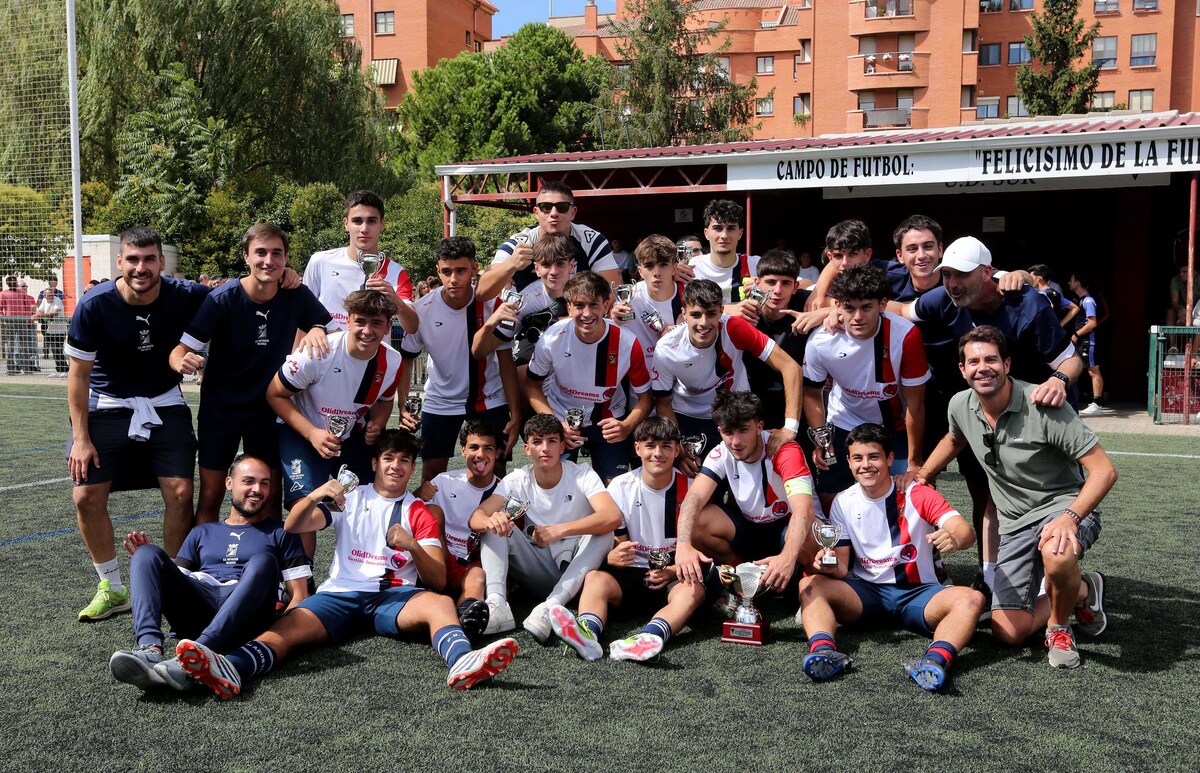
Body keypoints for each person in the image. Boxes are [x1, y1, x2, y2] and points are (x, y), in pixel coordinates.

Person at [174, 431, 519, 696]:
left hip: (393, 598)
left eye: (404, 461)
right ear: (375, 464)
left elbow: (439, 580)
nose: (395, 466)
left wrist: (412, 545)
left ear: (413, 468)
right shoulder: (350, 499)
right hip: (340, 592)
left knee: (441, 604)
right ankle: (231, 668)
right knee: (289, 628)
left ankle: (461, 661)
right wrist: (314, 494)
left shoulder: (419, 511)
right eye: (388, 458)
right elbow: (293, 525)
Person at [907, 326, 1115, 668]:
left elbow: (1104, 470)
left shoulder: (1044, 405)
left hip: (1062, 507)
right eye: (973, 361)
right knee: (1008, 632)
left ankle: (1059, 628)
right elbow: (954, 439)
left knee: (1058, 552)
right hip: (1015, 524)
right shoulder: (960, 404)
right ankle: (1082, 590)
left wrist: (1070, 517)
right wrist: (924, 475)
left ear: (1007, 363)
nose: (982, 367)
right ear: (962, 369)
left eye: (991, 359)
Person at [65, 227, 210, 622]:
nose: (141, 268)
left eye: (149, 259)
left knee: (181, 491)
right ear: (119, 263)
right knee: (85, 495)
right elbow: (77, 377)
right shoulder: (94, 304)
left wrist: (286, 277)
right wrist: (80, 438)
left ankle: (175, 581)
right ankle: (111, 587)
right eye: (133, 259)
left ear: (162, 263)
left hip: (165, 402)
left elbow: (237, 291)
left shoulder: (186, 294)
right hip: (107, 404)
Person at [797, 423, 985, 692]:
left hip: (918, 593)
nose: (866, 465)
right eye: (858, 458)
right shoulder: (843, 501)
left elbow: (965, 531)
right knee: (809, 585)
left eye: (874, 457)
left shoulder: (917, 493)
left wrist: (955, 538)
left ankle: (933, 662)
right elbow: (841, 568)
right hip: (867, 594)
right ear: (848, 462)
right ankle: (825, 653)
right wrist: (825, 564)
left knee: (972, 599)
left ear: (889, 459)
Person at [107, 455, 312, 692]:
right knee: (147, 553)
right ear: (229, 483)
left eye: (264, 483)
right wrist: (149, 566)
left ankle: (196, 655)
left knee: (263, 560)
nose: (257, 489)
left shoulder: (281, 531)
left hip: (247, 615)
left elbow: (299, 596)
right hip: (199, 607)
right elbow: (176, 585)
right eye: (248, 481)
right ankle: (150, 651)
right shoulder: (201, 532)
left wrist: (282, 634)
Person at [170, 224, 331, 525]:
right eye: (260, 253)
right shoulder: (222, 299)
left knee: (267, 498)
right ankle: (200, 569)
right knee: (211, 497)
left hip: (269, 411)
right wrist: (181, 362)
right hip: (221, 411)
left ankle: (265, 567)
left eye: (276, 253)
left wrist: (317, 329)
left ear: (285, 259)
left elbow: (323, 323)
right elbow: (179, 350)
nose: (268, 260)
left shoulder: (295, 293)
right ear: (246, 256)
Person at [546, 418, 707, 663]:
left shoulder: (694, 487)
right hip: (631, 573)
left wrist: (674, 570)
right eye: (650, 445)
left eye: (666, 446)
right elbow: (609, 536)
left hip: (674, 573)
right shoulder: (620, 486)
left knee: (693, 590)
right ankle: (588, 632)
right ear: (637, 448)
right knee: (595, 578)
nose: (657, 453)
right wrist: (611, 555)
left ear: (677, 450)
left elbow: (701, 543)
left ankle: (649, 637)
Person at [265, 289, 404, 555]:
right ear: (348, 320)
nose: (367, 330)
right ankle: (301, 581)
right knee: (304, 508)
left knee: (375, 495)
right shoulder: (319, 351)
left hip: (351, 437)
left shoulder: (392, 360)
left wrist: (379, 421)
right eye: (360, 321)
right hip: (302, 433)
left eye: (376, 323)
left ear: (388, 327)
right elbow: (274, 393)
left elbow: (385, 399)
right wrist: (312, 433)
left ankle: (367, 566)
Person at [469, 414, 619, 641]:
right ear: (527, 449)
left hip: (577, 569)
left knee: (604, 532)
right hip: (536, 566)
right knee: (494, 526)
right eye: (537, 442)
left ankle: (552, 606)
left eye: (551, 441)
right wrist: (491, 521)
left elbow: (612, 516)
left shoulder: (582, 474)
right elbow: (477, 517)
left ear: (562, 446)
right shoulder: (517, 479)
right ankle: (497, 604)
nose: (544, 448)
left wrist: (561, 529)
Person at [802, 264, 930, 514]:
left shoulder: (906, 335)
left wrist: (915, 462)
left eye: (866, 307)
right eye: (849, 308)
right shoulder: (821, 341)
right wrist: (821, 439)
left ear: (882, 304)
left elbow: (916, 403)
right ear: (837, 305)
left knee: (912, 491)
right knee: (829, 491)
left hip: (896, 425)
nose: (857, 317)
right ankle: (839, 549)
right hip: (844, 419)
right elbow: (811, 393)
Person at [396, 237, 521, 485]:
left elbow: (506, 361)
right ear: (438, 271)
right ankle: (435, 525)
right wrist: (401, 406)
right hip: (441, 401)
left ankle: (489, 524)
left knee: (496, 475)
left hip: (489, 400)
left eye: (461, 270)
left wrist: (515, 413)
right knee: (432, 476)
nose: (453, 279)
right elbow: (407, 358)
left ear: (474, 268)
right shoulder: (422, 309)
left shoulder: (493, 304)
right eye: (446, 272)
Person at [672, 391, 817, 596]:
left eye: (743, 430)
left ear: (759, 427)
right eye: (729, 433)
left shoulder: (785, 450)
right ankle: (743, 582)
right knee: (700, 520)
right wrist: (683, 545)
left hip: (784, 528)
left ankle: (807, 585)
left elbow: (804, 509)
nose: (736, 441)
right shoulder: (720, 453)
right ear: (720, 431)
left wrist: (788, 557)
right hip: (748, 529)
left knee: (813, 531)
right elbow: (693, 499)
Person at [651, 279, 802, 463]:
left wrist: (790, 428)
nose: (704, 323)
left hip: (735, 414)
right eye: (696, 315)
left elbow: (790, 367)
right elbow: (663, 402)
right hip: (688, 415)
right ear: (684, 314)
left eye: (711, 314)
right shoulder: (666, 348)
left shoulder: (734, 327)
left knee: (743, 483)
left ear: (721, 311)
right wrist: (678, 447)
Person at [526, 271, 653, 482]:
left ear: (605, 306)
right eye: (579, 305)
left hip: (608, 422)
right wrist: (556, 423)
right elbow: (532, 386)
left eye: (593, 305)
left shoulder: (628, 343)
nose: (586, 313)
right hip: (561, 420)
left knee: (616, 491)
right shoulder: (551, 338)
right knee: (554, 485)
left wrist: (627, 426)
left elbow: (646, 398)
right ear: (568, 307)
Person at [417, 419, 505, 638]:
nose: (480, 454)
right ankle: (430, 591)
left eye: (488, 448)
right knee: (431, 512)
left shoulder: (504, 490)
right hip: (439, 557)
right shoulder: (443, 481)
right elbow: (410, 515)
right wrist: (418, 495)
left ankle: (466, 617)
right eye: (474, 447)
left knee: (477, 576)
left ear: (498, 453)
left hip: (472, 564)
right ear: (463, 450)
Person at [302, 190, 418, 334]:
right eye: (357, 221)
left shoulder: (396, 272)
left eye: (371, 221)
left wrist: (396, 301)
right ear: (346, 224)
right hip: (327, 355)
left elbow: (412, 327)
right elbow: (302, 315)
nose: (364, 229)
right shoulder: (320, 261)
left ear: (382, 224)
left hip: (374, 356)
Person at [477, 181, 620, 298]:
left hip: (578, 320)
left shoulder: (592, 241)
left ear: (573, 212)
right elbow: (482, 293)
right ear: (536, 213)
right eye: (546, 207)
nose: (553, 214)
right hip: (525, 320)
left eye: (562, 207)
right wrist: (510, 264)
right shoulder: (518, 244)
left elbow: (612, 290)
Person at [471, 231, 573, 369]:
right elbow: (478, 351)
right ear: (537, 269)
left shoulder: (586, 290)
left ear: (571, 266)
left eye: (560, 264)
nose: (553, 271)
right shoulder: (524, 301)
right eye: (546, 265)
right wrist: (492, 320)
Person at [743, 249, 815, 428]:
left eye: (785, 283)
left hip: (800, 404)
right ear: (756, 284)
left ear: (795, 287)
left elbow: (847, 307)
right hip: (752, 407)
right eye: (770, 282)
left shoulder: (806, 302)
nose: (777, 290)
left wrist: (822, 313)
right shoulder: (745, 310)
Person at [609, 234, 686, 374]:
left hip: (682, 382)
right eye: (649, 266)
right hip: (642, 382)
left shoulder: (689, 295)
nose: (656, 272)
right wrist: (612, 319)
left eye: (663, 264)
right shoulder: (628, 298)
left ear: (674, 268)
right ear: (640, 271)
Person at [689, 199, 760, 311]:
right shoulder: (692, 268)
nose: (724, 235)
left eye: (731, 228)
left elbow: (795, 283)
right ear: (706, 233)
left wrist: (765, 288)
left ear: (740, 233)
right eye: (718, 228)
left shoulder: (755, 265)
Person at [1068, 272, 1105, 416]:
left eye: (1071, 280)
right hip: (1083, 341)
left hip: (1089, 341)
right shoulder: (1079, 300)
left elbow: (1092, 323)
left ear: (1078, 283)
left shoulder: (1088, 301)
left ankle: (1097, 403)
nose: (1069, 283)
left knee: (1093, 370)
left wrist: (1076, 334)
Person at [33, 283, 69, 377]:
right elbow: (40, 310)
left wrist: (40, 315)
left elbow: (55, 313)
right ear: (44, 295)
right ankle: (60, 369)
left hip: (59, 330)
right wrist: (38, 313)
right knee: (54, 350)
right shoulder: (44, 301)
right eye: (49, 295)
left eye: (52, 295)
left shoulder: (57, 300)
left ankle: (64, 370)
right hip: (50, 329)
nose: (51, 297)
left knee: (58, 349)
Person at [1028, 264, 1079, 329]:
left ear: (1039, 278)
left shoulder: (1042, 295)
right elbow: (1075, 308)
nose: (1030, 280)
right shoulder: (1056, 294)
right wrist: (1061, 324)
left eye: (1031, 277)